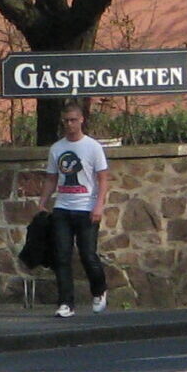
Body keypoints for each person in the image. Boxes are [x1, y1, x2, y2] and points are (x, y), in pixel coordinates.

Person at [44, 104, 112, 318]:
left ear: (81, 120)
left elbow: (103, 178)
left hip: (86, 208)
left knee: (87, 255)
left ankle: (99, 290)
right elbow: (52, 178)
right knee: (62, 256)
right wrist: (43, 201)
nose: (69, 125)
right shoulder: (56, 148)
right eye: (66, 121)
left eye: (73, 120)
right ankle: (66, 303)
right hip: (63, 207)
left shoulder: (92, 147)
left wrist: (98, 205)